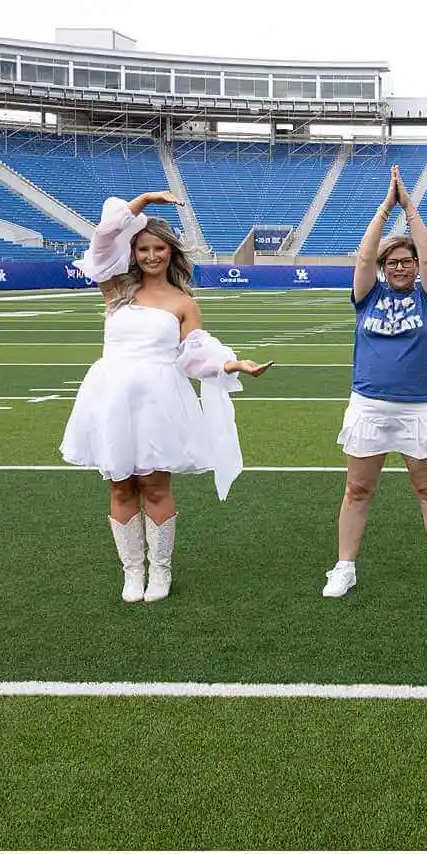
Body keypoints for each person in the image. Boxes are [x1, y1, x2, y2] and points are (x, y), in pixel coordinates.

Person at [61, 191, 271, 604]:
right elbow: (102, 239)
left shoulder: (183, 302)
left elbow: (195, 353)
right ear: (133, 252)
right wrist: (142, 203)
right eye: (143, 248)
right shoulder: (115, 286)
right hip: (112, 394)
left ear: (171, 253)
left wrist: (232, 365)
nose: (151, 255)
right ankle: (131, 572)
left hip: (158, 400)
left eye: (159, 248)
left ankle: (160, 571)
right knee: (120, 486)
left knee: (155, 485)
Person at [323, 166, 427, 600]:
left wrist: (411, 209)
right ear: (384, 268)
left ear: (417, 265)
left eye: (408, 261)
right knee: (358, 488)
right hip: (369, 405)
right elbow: (363, 259)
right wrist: (385, 209)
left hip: (419, 406)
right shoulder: (368, 297)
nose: (401, 267)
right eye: (393, 262)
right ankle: (345, 567)